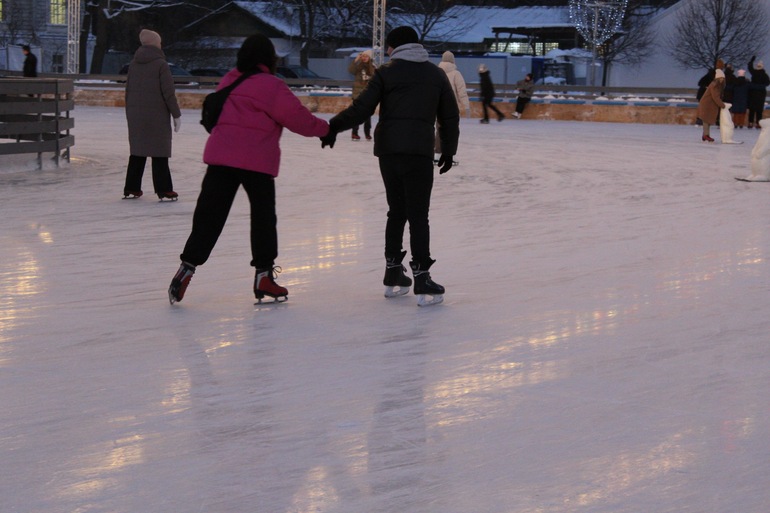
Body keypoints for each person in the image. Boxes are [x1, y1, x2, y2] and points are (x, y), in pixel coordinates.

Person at [168, 33, 330, 305]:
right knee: (263, 218)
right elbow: (298, 119)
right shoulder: (271, 85)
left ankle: (186, 269)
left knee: (209, 217)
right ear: (269, 58)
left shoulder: (231, 78)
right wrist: (327, 130)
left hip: (221, 157)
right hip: (256, 162)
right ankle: (264, 277)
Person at [321, 26, 459, 306]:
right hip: (419, 152)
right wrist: (448, 150)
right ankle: (421, 276)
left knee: (396, 211)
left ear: (393, 48)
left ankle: (394, 271)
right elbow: (450, 116)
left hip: (389, 153)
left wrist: (333, 126)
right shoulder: (436, 74)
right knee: (418, 214)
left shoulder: (386, 72)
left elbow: (361, 108)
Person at [123, 29, 181, 200]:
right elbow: (168, 93)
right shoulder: (161, 65)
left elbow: (128, 92)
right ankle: (164, 189)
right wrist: (176, 115)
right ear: (156, 44)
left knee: (137, 152)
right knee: (159, 152)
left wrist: (130, 112)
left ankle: (131, 187)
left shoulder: (133, 65)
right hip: (157, 115)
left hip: (136, 114)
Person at [435, 50, 469, 159]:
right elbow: (461, 92)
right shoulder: (456, 74)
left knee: (439, 129)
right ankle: (448, 153)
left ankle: (437, 151)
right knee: (451, 130)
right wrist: (466, 106)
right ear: (453, 61)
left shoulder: (436, 72)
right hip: (452, 107)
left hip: (438, 106)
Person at [347, 49, 376, 141]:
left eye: (366, 56)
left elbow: (373, 74)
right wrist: (356, 60)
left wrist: (370, 63)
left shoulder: (372, 66)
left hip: (367, 94)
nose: (364, 58)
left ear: (369, 57)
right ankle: (354, 133)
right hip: (357, 94)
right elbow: (351, 70)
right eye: (363, 56)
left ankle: (367, 133)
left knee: (367, 115)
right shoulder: (358, 66)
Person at [697, 68, 725, 142]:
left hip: (709, 104)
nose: (722, 79)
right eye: (720, 78)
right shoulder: (714, 85)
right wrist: (722, 105)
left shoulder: (718, 85)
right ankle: (706, 135)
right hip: (706, 104)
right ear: (717, 78)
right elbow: (715, 97)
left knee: (708, 120)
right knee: (706, 119)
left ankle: (705, 135)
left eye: (723, 78)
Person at [747, 56, 769, 129]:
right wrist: (761, 86)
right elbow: (768, 83)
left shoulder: (754, 73)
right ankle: (758, 123)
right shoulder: (765, 75)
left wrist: (751, 61)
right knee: (759, 110)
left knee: (752, 109)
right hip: (761, 94)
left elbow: (750, 68)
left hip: (753, 93)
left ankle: (750, 123)